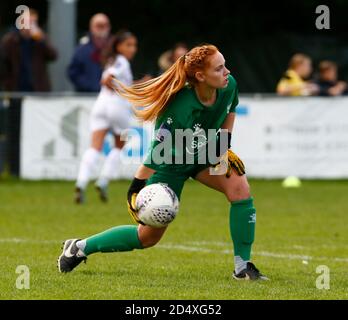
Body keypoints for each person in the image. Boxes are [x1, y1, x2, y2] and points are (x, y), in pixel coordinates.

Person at [58, 44, 268, 281]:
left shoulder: (229, 85)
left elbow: (231, 110)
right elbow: (158, 151)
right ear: (200, 76)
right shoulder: (179, 106)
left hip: (205, 152)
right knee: (147, 238)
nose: (227, 72)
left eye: (225, 65)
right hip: (170, 163)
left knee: (240, 189)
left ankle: (242, 268)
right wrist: (136, 185)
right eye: (219, 68)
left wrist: (223, 145)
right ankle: (79, 246)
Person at [74, 30, 138, 204]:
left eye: (134, 45)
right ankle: (103, 181)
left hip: (100, 105)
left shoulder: (111, 60)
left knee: (95, 147)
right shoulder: (122, 61)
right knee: (120, 144)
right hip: (117, 107)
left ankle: (81, 183)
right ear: (118, 46)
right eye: (129, 45)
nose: (133, 49)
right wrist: (122, 91)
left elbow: (114, 81)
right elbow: (108, 81)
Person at [0, 8, 57, 91]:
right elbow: (3, 64)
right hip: (16, 89)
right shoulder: (10, 40)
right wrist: (7, 83)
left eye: (34, 22)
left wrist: (41, 39)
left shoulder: (40, 39)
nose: (31, 26)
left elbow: (53, 56)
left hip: (37, 89)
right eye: (29, 22)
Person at [67, 13, 111, 92]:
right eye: (98, 25)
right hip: (86, 95)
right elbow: (73, 73)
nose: (101, 29)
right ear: (91, 27)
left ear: (109, 27)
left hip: (110, 95)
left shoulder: (114, 48)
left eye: (104, 25)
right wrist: (89, 85)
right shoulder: (82, 48)